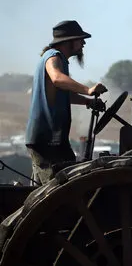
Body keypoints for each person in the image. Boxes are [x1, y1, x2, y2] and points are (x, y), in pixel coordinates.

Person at [25, 20, 108, 185]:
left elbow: (64, 94)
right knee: (55, 192)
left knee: (69, 178)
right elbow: (57, 78)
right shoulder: (53, 56)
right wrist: (88, 89)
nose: (83, 43)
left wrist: (87, 102)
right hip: (46, 139)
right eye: (80, 39)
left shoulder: (61, 60)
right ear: (68, 41)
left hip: (55, 139)